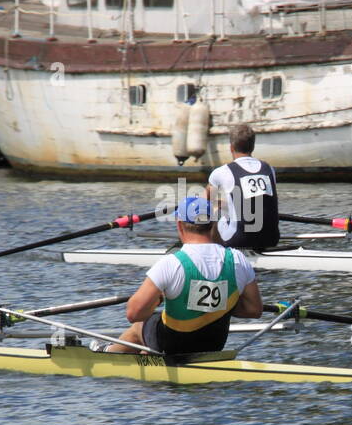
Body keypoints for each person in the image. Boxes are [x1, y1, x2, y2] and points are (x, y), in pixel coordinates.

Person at [108, 196, 262, 355]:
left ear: (179, 224)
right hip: (214, 344)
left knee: (140, 326)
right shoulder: (238, 260)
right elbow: (254, 310)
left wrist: (159, 298)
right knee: (152, 334)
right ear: (213, 225)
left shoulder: (171, 264)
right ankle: (148, 357)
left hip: (173, 345)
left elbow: (133, 313)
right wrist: (219, 304)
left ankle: (106, 353)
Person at [205, 123, 280, 250]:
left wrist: (220, 206)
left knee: (213, 212)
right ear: (253, 146)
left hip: (238, 240)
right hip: (272, 238)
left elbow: (206, 201)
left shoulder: (221, 172)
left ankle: (212, 253)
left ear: (231, 147)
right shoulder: (269, 169)